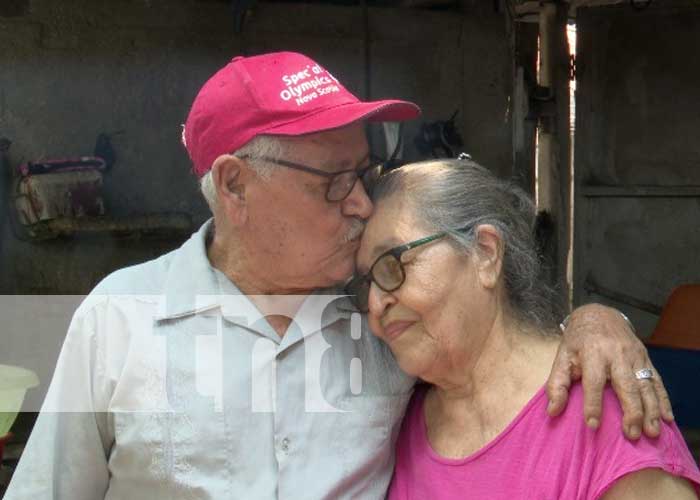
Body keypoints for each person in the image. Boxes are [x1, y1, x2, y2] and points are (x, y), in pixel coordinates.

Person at [5, 52, 673, 499]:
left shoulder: (384, 321)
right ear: (236, 186)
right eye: (334, 182)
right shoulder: (121, 318)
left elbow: (494, 343)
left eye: (365, 174)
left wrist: (593, 321)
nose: (361, 203)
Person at [352, 158, 700, 499]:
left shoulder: (608, 415)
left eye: (391, 265)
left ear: (486, 253)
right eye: (368, 283)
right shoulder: (397, 419)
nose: (375, 304)